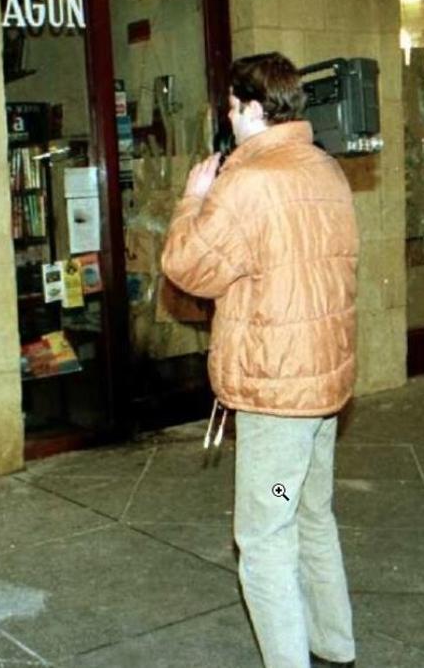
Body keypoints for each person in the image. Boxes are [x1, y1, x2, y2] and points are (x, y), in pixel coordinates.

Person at [160, 52, 359, 668]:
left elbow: (187, 266)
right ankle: (334, 644)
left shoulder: (250, 180)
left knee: (265, 535)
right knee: (310, 513)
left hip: (278, 400)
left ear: (251, 107)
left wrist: (192, 200)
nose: (228, 119)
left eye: (230, 107)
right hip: (323, 388)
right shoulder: (325, 169)